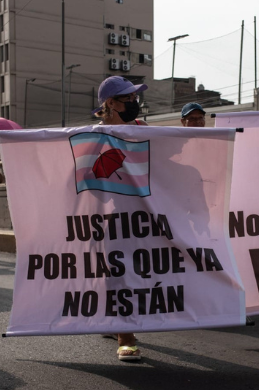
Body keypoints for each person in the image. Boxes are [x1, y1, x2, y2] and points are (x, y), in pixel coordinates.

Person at [92, 75, 148, 362]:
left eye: (135, 99)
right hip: (112, 216)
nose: (134, 104)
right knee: (117, 272)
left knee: (143, 270)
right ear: (111, 103)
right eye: (128, 99)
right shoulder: (93, 135)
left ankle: (113, 319)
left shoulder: (143, 129)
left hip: (146, 213)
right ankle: (126, 336)